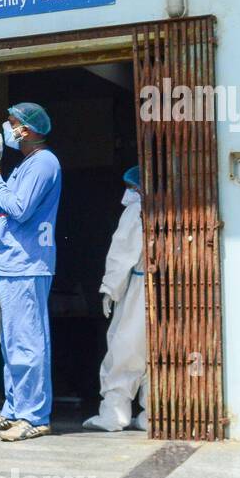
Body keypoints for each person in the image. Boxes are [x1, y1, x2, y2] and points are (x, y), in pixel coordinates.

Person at [0, 102, 62, 442]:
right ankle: (14, 410)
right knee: (12, 343)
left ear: (27, 129)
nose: (7, 129)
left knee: (28, 341)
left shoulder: (43, 163)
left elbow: (21, 209)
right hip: (11, 262)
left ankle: (35, 416)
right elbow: (8, 209)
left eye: (11, 123)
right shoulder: (28, 164)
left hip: (27, 263)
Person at [84, 165, 149, 432]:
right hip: (162, 288)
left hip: (137, 285)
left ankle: (114, 413)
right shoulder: (168, 209)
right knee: (154, 354)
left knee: (124, 350)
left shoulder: (136, 211)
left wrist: (110, 289)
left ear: (136, 188)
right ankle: (151, 414)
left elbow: (122, 253)